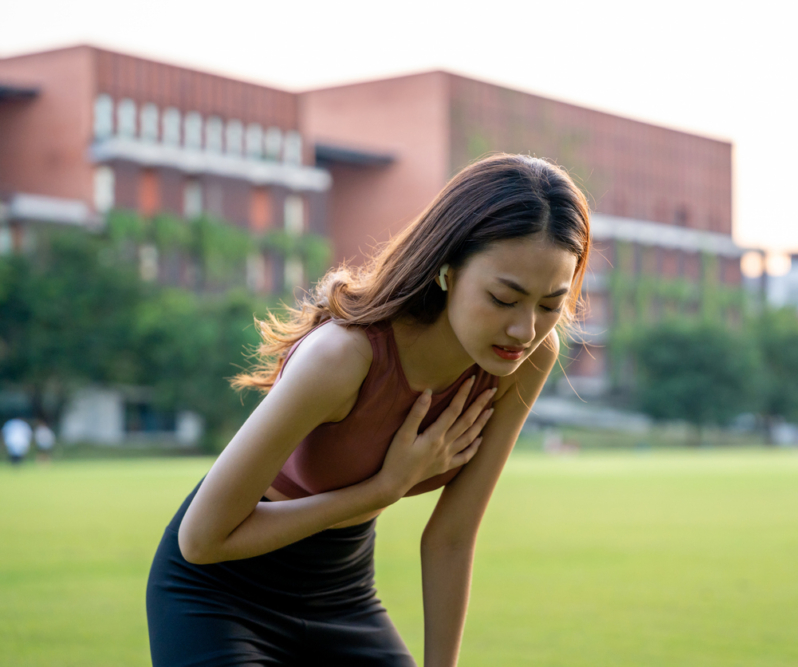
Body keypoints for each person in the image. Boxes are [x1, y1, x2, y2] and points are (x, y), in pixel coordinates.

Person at [146, 154, 591, 666]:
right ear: (447, 269)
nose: (524, 331)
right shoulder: (341, 358)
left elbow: (451, 536)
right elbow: (202, 539)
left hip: (344, 592)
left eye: (550, 304)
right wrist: (382, 490)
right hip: (218, 594)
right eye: (503, 298)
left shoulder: (529, 358)